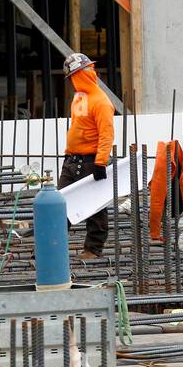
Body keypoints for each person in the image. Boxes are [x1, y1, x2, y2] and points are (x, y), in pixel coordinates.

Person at [58, 53, 114, 260]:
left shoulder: (101, 102)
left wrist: (100, 162)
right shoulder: (79, 97)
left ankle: (93, 249)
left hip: (90, 162)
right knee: (59, 205)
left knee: (95, 207)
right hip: (72, 160)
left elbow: (106, 134)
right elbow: (78, 127)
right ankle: (53, 248)